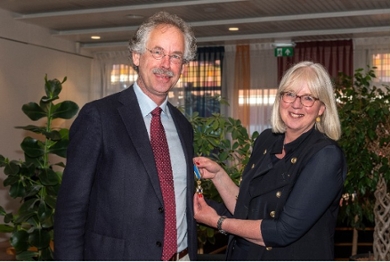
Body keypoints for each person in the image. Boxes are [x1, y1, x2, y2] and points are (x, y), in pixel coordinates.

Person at [54, 11, 198, 261]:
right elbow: (71, 210)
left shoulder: (183, 127)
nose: (166, 64)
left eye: (175, 56)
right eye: (157, 52)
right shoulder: (98, 117)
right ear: (136, 55)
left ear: (183, 68)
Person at [193, 61, 347, 260]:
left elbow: (283, 231)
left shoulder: (325, 155)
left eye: (308, 98)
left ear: (321, 109)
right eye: (290, 94)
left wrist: (218, 222)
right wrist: (218, 176)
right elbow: (247, 208)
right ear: (280, 98)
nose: (296, 104)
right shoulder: (267, 139)